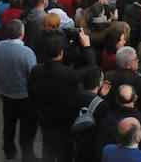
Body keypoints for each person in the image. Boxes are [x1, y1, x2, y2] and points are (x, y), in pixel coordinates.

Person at [29, 31, 97, 162]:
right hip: (64, 120)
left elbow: (31, 92)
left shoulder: (36, 70)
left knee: (47, 147)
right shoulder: (68, 74)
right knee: (65, 150)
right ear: (61, 54)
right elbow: (91, 69)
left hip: (44, 117)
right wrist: (87, 47)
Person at [0, 19, 38, 162]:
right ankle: (27, 155)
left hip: (6, 94)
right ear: (22, 34)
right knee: (26, 128)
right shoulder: (27, 52)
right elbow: (33, 76)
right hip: (24, 96)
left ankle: (9, 152)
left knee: (9, 125)